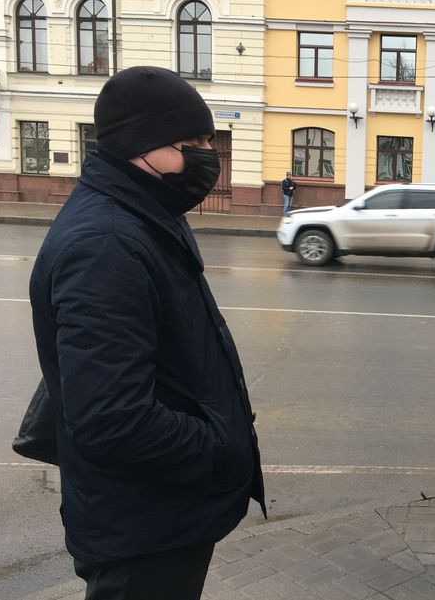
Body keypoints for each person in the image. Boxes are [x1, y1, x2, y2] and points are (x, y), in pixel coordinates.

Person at [29, 66, 265, 600]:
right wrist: (219, 448)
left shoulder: (146, 213)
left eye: (210, 139)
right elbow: (113, 419)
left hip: (160, 515)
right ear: (139, 146)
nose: (208, 155)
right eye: (192, 143)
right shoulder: (105, 245)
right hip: (142, 532)